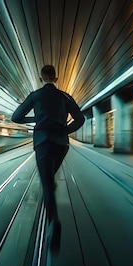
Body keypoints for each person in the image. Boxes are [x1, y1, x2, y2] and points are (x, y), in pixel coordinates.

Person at [11, 64, 85, 252]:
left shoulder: (35, 96)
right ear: (56, 78)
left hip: (43, 143)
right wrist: (64, 130)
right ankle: (51, 186)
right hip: (61, 145)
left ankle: (54, 222)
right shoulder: (64, 97)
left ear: (40, 78)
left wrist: (37, 120)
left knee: (46, 183)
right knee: (50, 178)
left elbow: (16, 117)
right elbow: (80, 119)